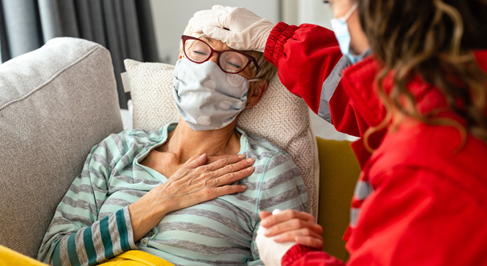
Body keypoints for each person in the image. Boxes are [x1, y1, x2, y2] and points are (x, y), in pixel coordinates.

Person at [188, 0, 487, 265]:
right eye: (194, 52)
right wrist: (276, 40)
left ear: (381, 6)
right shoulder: (465, 91)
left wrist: (292, 258)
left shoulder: (426, 166)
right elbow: (368, 98)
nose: (205, 71)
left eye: (331, 1)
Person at [37, 28, 308, 266]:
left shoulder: (268, 171)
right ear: (180, 65)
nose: (207, 70)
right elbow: (51, 257)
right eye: (199, 51)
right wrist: (159, 200)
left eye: (232, 62)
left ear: (255, 92)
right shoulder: (116, 150)